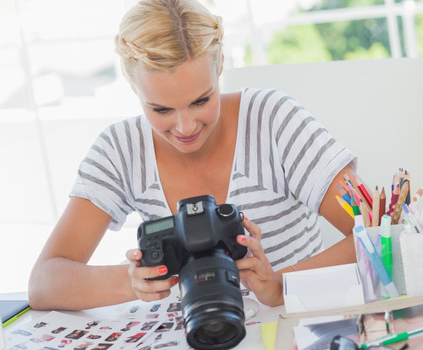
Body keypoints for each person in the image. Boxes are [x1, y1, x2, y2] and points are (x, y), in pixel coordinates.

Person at [28, 0, 358, 311]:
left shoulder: (273, 120)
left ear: (220, 68)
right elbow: (44, 283)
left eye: (201, 101)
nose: (185, 127)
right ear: (133, 87)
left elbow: (379, 232)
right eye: (161, 109)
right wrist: (131, 281)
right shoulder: (121, 149)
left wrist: (279, 286)